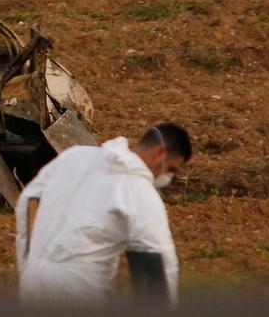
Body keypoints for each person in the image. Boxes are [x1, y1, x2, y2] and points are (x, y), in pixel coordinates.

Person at [15, 122, 192, 306]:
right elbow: (158, 260)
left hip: (34, 280)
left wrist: (29, 261)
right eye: (171, 169)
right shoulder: (139, 190)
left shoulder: (74, 156)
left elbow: (29, 201)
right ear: (159, 153)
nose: (167, 178)